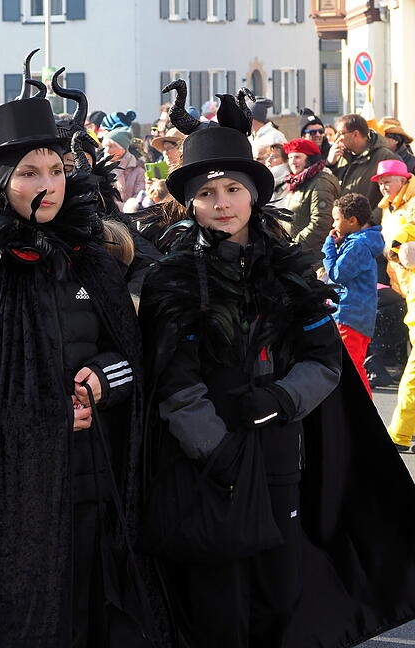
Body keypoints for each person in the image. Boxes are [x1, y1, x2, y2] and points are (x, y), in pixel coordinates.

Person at [141, 91, 415, 648]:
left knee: (280, 595)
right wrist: (216, 448)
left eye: (233, 189)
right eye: (208, 193)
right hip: (205, 465)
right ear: (190, 203)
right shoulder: (171, 277)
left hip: (280, 457)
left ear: (253, 195)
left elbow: (324, 361)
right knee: (217, 604)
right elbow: (173, 378)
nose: (222, 203)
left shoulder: (289, 271)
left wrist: (278, 401)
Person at [0, 96, 167, 647]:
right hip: (16, 490)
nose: (48, 184)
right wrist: (44, 412)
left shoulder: (94, 258)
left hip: (95, 474)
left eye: (57, 170)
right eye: (30, 172)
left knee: (95, 610)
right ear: (1, 182)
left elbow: (133, 358)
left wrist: (101, 381)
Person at [322, 192, 383, 396]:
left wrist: (329, 246)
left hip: (350, 315)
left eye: (337, 219)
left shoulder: (358, 244)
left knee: (350, 368)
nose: (334, 224)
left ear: (352, 220)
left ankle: (362, 418)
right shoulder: (362, 241)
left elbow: (337, 274)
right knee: (354, 366)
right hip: (359, 315)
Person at [373, 159, 415, 450]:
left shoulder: (412, 202)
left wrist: (397, 245)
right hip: (406, 288)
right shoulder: (388, 206)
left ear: (404, 179)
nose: (384, 185)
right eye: (381, 181)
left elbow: (409, 229)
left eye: (389, 180)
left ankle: (400, 433)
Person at [282, 137, 340, 262]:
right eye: (290, 157)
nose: (292, 161)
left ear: (309, 159)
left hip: (314, 257)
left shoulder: (320, 183)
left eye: (297, 157)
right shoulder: (297, 182)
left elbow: (321, 222)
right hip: (299, 255)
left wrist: (295, 247)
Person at [327, 113, 397, 208]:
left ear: (355, 134)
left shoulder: (384, 156)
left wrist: (371, 221)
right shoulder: (339, 155)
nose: (337, 138)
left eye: (341, 133)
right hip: (341, 220)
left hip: (367, 221)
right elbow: (327, 189)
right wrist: (330, 164)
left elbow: (391, 196)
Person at [103, 126, 145, 207]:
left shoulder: (138, 171)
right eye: (105, 146)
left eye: (111, 146)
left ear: (122, 149)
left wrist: (123, 208)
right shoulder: (100, 168)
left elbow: (139, 198)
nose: (107, 151)